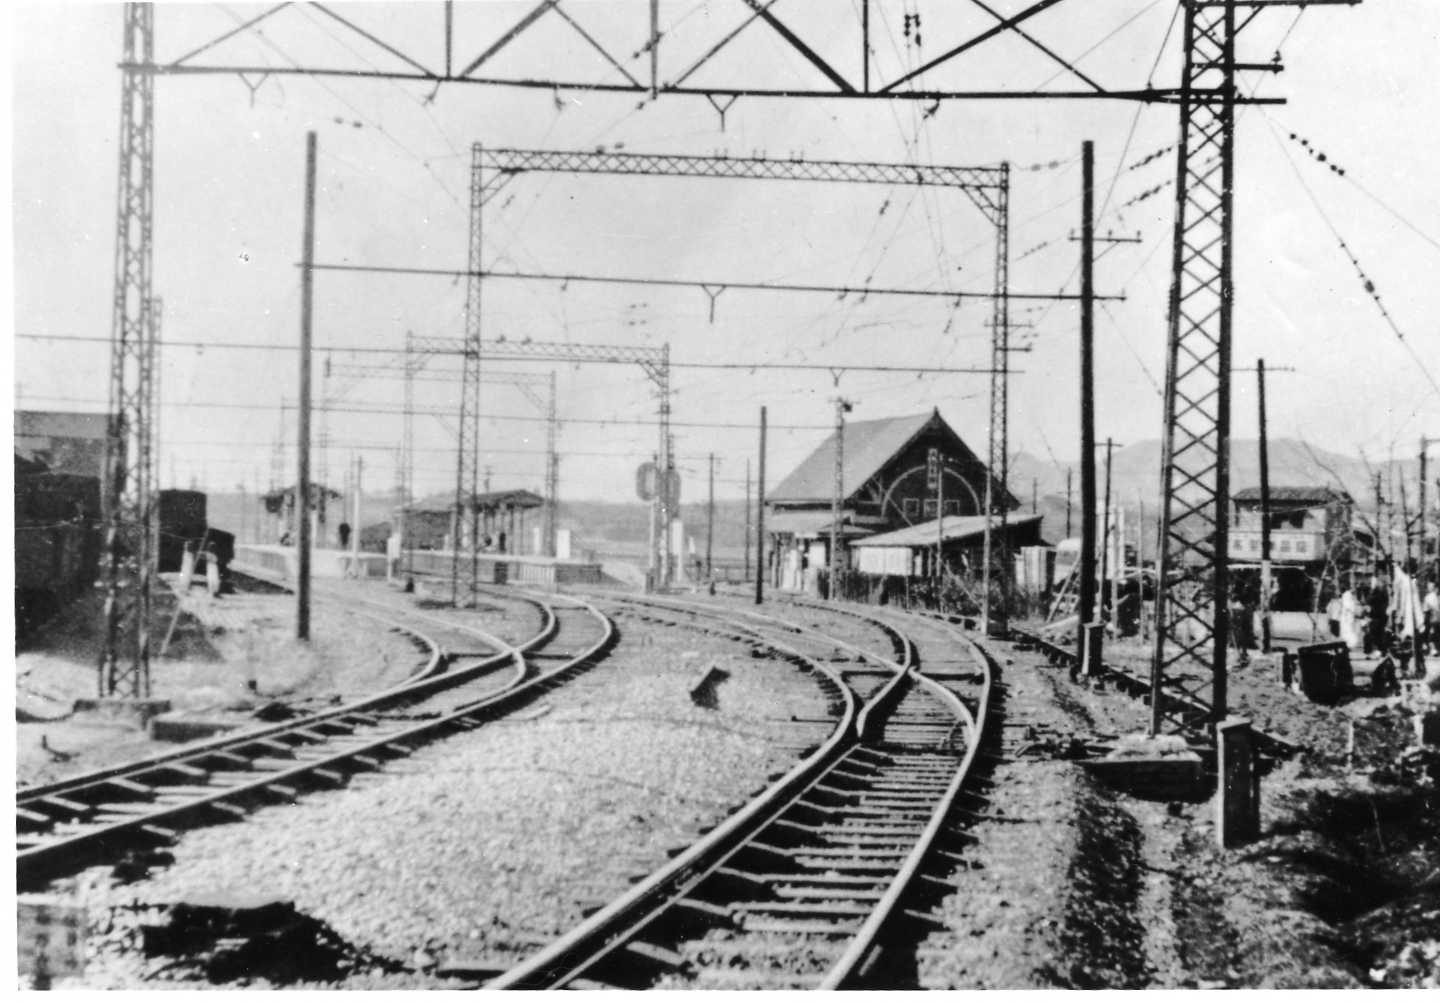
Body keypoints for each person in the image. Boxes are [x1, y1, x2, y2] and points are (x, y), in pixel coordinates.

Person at [1423, 579, 1440, 656]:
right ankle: (1432, 649)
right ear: (1436, 588)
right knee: (1432, 633)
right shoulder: (1429, 597)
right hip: (1433, 620)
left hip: (1437, 619)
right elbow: (1426, 611)